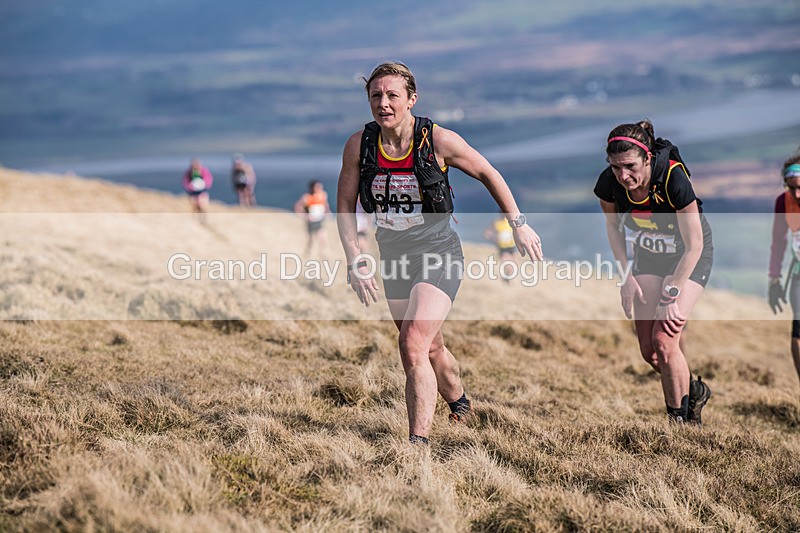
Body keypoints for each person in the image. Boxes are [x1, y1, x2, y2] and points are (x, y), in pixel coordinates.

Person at [337, 61, 543, 445]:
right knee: (430, 346)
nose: (383, 103)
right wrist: (355, 259)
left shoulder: (438, 140)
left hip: (438, 252)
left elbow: (488, 173)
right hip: (393, 254)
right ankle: (460, 401)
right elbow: (345, 205)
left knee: (411, 342)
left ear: (412, 99)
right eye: (375, 96)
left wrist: (519, 225)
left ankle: (418, 446)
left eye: (392, 95)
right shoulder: (359, 145)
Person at [594, 120, 713, 426]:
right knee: (650, 352)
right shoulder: (609, 184)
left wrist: (671, 292)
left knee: (664, 339)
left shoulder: (672, 178)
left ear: (647, 158)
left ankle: (681, 422)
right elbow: (613, 228)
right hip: (649, 256)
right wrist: (627, 278)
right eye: (616, 167)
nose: (623, 176)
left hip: (690, 257)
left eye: (630, 166)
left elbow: (695, 245)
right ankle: (695, 391)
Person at [768, 151, 800, 386]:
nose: (797, 194)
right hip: (797, 274)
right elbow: (778, 241)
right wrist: (774, 280)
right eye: (791, 188)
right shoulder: (783, 202)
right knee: (797, 336)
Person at [294, 180, 331, 255]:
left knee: (322, 238)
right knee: (311, 239)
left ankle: (322, 254)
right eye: (317, 187)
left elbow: (326, 205)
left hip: (320, 220)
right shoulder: (307, 197)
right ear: (312, 188)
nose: (319, 188)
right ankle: (307, 253)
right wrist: (305, 216)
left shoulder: (323, 195)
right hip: (311, 222)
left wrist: (327, 212)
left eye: (320, 187)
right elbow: (297, 207)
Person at [484, 211, 517, 282]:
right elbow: (487, 233)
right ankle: (506, 280)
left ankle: (508, 279)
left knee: (511, 266)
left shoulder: (511, 222)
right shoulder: (497, 223)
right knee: (506, 262)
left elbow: (517, 231)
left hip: (511, 246)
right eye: (502, 213)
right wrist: (495, 239)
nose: (504, 214)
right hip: (502, 247)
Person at [182, 159, 213, 223]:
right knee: (194, 206)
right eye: (194, 165)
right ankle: (195, 219)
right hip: (192, 192)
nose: (195, 166)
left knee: (202, 205)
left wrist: (204, 184)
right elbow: (185, 182)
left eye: (197, 164)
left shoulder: (204, 171)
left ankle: (203, 219)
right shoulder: (189, 172)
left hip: (202, 191)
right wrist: (190, 187)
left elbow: (208, 180)